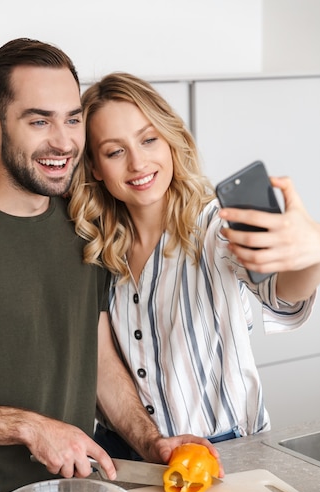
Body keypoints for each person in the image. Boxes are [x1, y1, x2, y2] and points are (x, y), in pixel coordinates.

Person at [0, 41, 220, 492]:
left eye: (72, 119)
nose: (64, 140)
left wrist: (150, 441)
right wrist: (27, 426)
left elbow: (97, 358)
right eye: (38, 121)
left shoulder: (83, 224)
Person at [69, 72, 320, 458]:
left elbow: (284, 295)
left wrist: (312, 253)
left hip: (224, 449)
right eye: (114, 151)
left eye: (148, 139)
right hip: (124, 450)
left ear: (171, 141)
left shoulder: (217, 226)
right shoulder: (96, 247)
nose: (138, 162)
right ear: (96, 167)